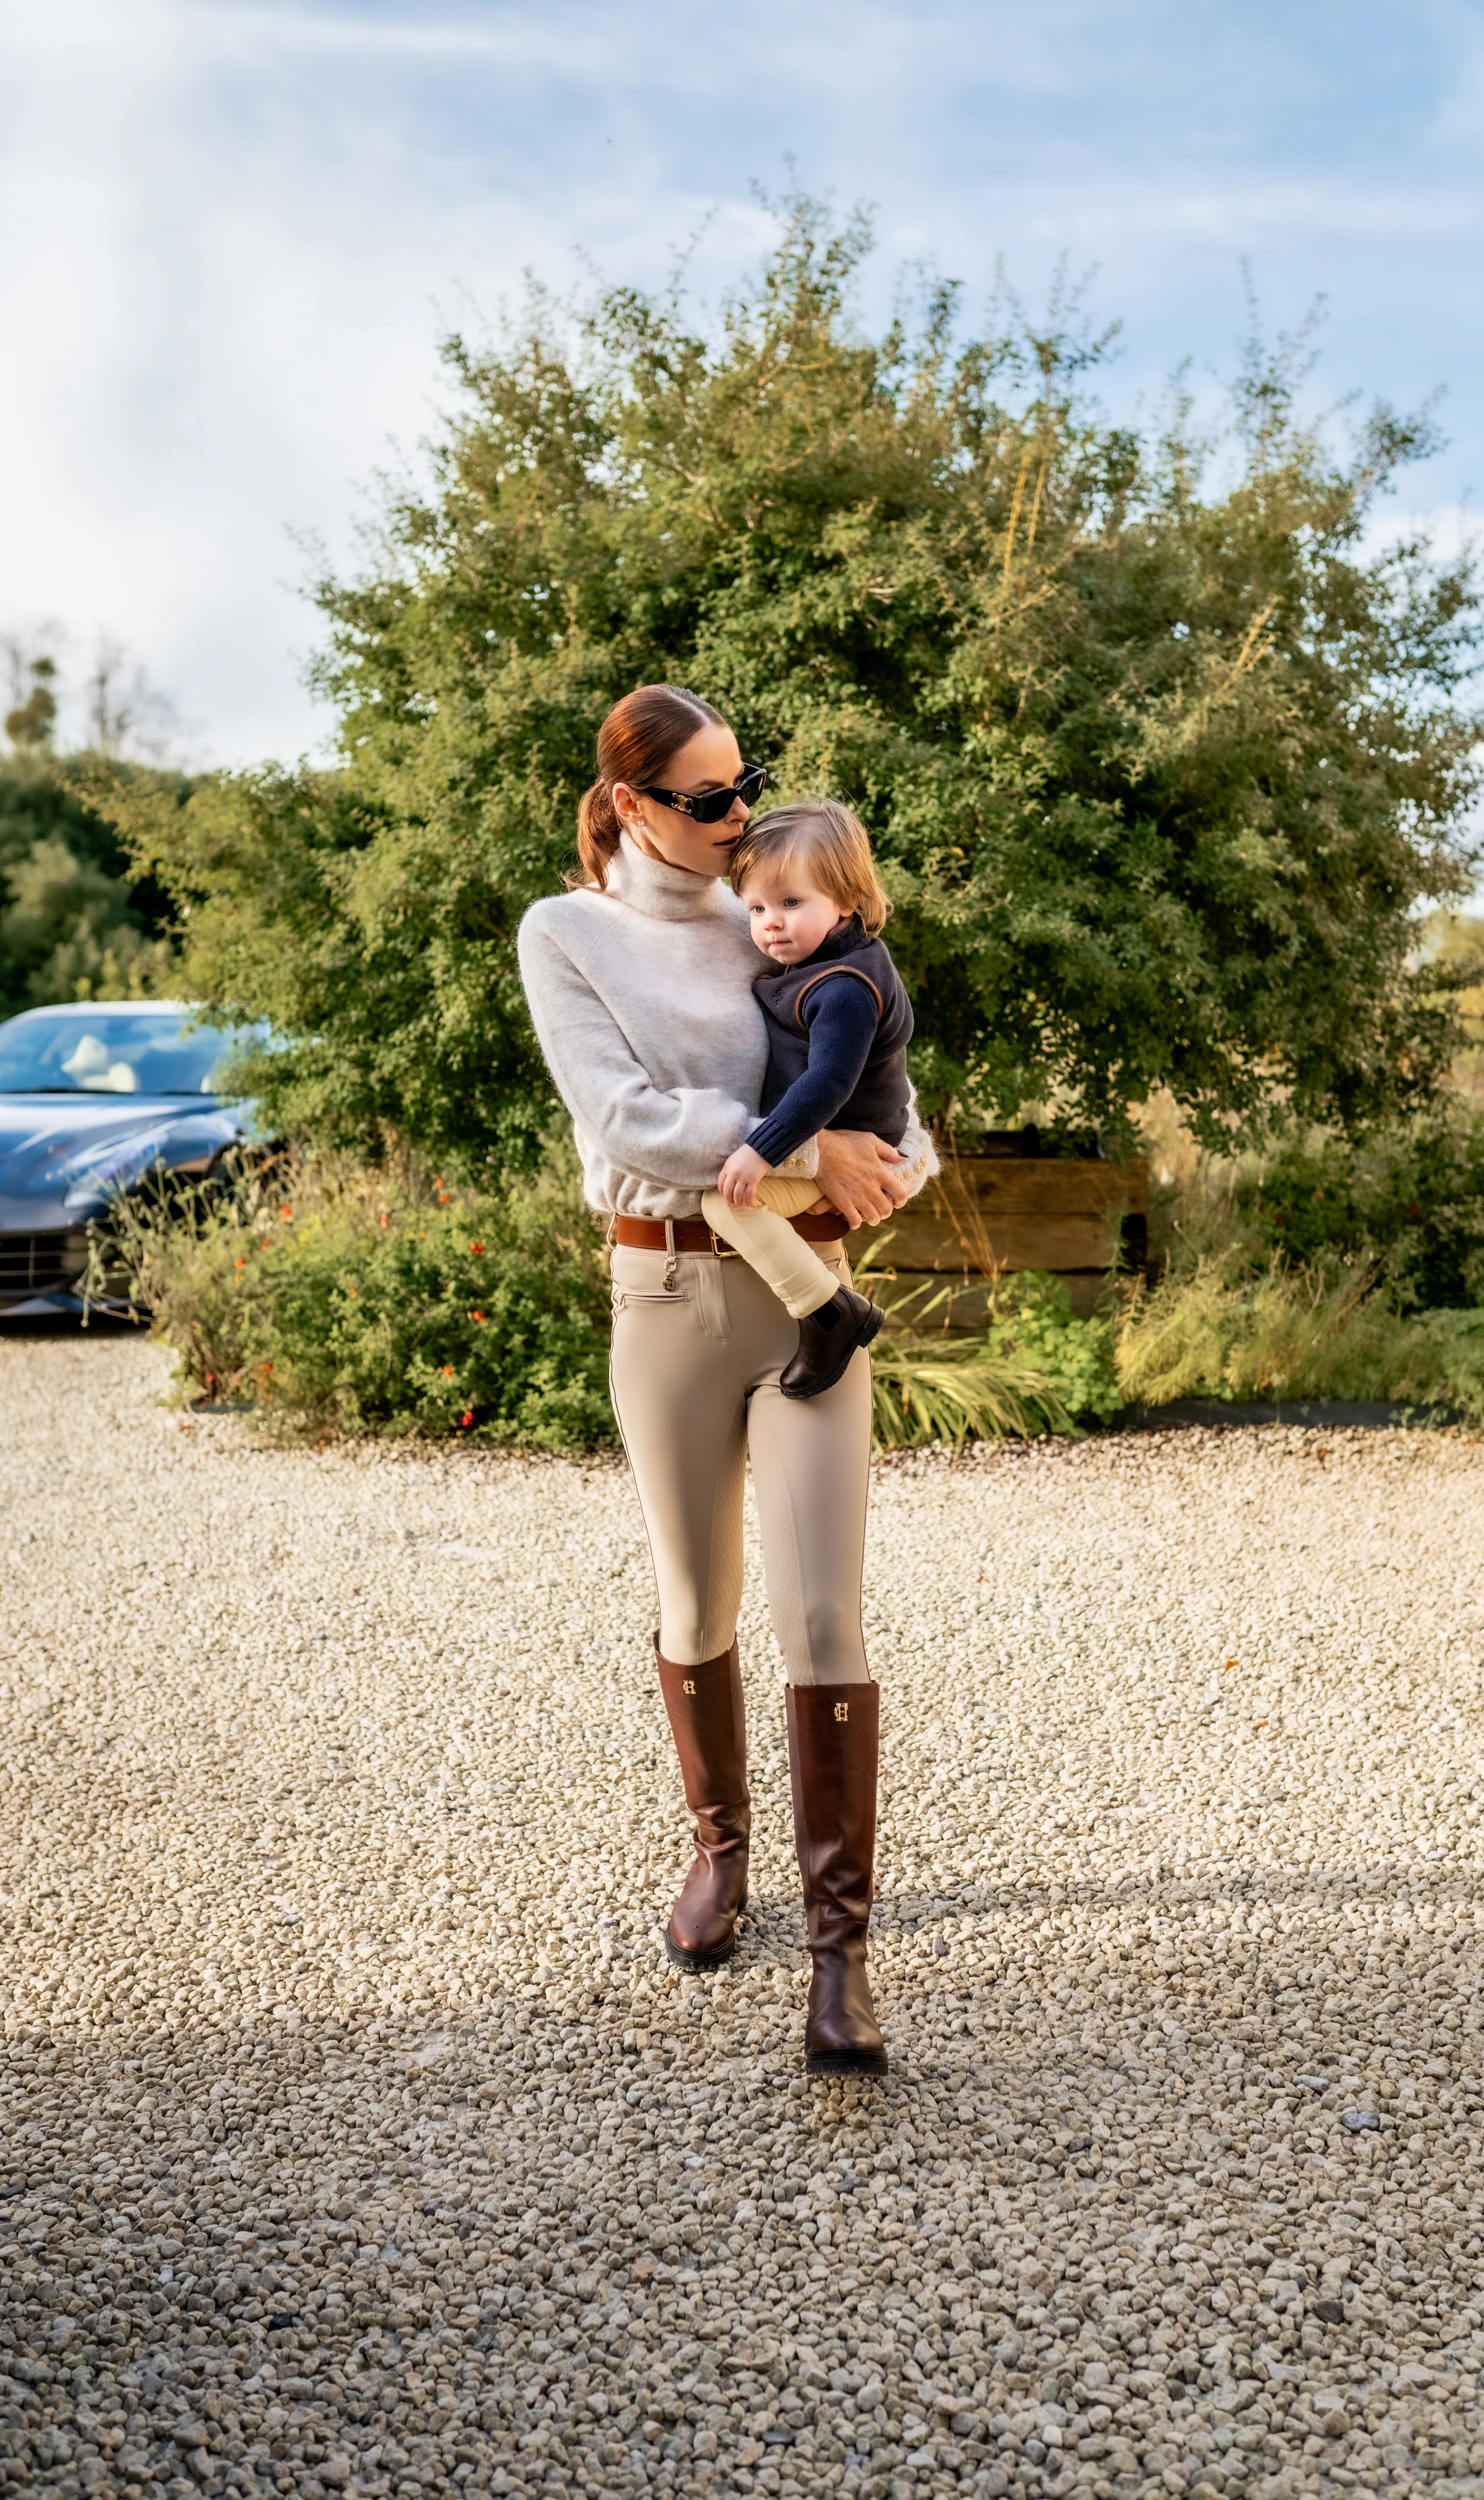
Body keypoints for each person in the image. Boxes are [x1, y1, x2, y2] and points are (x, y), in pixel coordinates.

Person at [516, 684, 912, 2075]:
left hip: (812, 1288)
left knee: (825, 1616)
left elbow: (891, 1107)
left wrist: (884, 1168)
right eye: (704, 801)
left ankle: (840, 1957)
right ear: (631, 806)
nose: (738, 818)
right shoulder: (571, 936)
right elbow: (627, 1122)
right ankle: (720, 1853)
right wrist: (807, 1151)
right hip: (670, 1288)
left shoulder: (790, 902)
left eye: (748, 786)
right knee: (696, 1601)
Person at [701, 799, 938, 1400]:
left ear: (848, 901)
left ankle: (828, 1313)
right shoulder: (824, 964)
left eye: (790, 903)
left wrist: (761, 1150)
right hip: (842, 1131)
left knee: (728, 1205)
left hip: (860, 1142)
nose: (770, 924)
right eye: (755, 908)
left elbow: (826, 1083)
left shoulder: (845, 988)